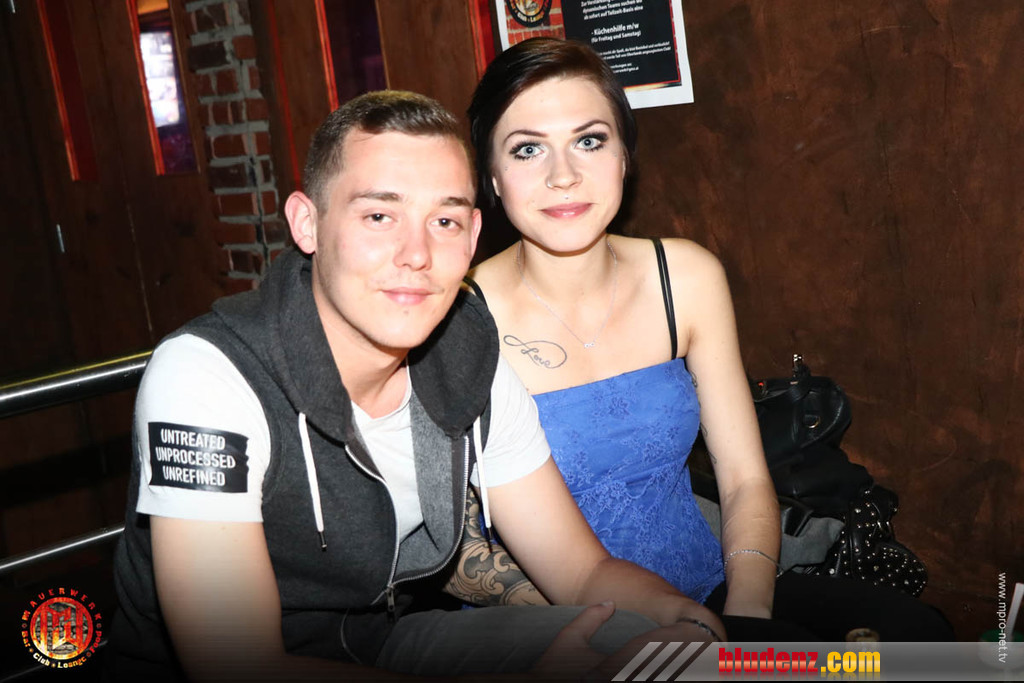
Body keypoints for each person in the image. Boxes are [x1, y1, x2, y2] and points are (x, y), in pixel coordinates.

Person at [107, 89, 728, 681]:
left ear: (474, 236)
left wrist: (682, 616)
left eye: (445, 221)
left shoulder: (469, 359)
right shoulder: (208, 374)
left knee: (644, 646)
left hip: (381, 642)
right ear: (307, 223)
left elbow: (582, 573)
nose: (417, 254)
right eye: (380, 216)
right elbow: (234, 666)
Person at [462, 37, 953, 641]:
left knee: (917, 637)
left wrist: (747, 616)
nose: (563, 175)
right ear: (491, 175)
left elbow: (744, 479)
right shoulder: (460, 315)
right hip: (557, 623)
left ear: (624, 157)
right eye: (528, 149)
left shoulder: (685, 277)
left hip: (707, 591)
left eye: (589, 141)